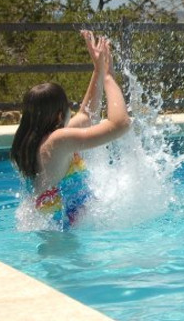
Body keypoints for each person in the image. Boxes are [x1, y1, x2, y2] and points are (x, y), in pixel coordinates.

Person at [10, 30, 132, 229]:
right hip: (64, 232)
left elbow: (87, 115)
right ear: (59, 116)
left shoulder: (37, 140)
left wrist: (98, 70)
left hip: (56, 226)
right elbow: (120, 124)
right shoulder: (57, 141)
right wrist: (109, 78)